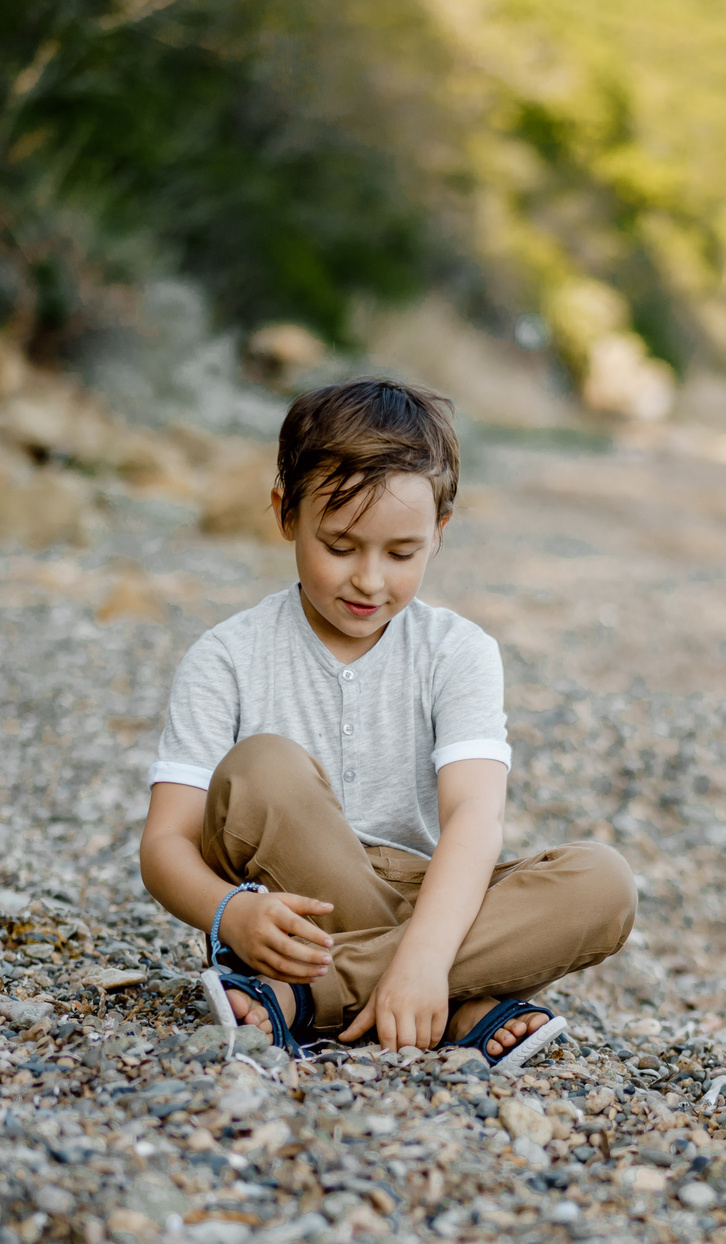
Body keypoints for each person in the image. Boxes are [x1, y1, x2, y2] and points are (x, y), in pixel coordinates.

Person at [136, 376, 634, 1067]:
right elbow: (165, 845)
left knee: (602, 883)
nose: (370, 580)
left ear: (439, 532)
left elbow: (474, 820)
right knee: (263, 765)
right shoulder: (227, 656)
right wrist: (232, 915)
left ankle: (311, 997)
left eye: (402, 554)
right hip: (288, 903)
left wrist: (427, 953)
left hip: (426, 889)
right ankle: (462, 1000)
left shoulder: (457, 652)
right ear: (285, 514)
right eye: (340, 546)